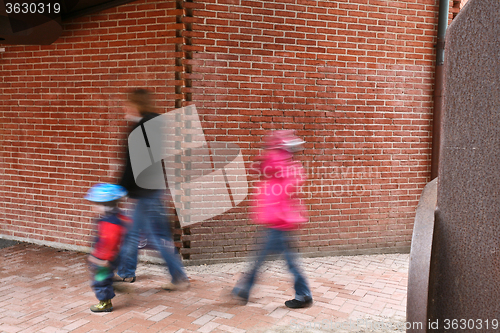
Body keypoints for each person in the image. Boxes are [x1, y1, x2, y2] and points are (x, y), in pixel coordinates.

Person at [115, 88, 190, 291]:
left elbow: (133, 164)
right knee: (135, 233)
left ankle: (177, 275)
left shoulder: (139, 130)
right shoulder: (153, 126)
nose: (124, 107)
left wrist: (120, 188)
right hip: (151, 189)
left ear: (135, 104)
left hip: (144, 192)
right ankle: (126, 273)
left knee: (155, 237)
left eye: (127, 103)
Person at [232, 130, 313, 308]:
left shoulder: (279, 167)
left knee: (262, 259)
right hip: (281, 222)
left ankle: (244, 289)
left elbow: (262, 167)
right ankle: (303, 294)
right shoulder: (289, 167)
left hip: (278, 223)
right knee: (282, 261)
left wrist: (271, 153)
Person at [85, 183, 130, 312]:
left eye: (96, 204)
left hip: (104, 258)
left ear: (105, 205)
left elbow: (109, 242)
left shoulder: (110, 223)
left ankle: (105, 303)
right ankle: (111, 284)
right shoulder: (117, 217)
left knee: (99, 280)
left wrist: (101, 260)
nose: (94, 207)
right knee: (104, 276)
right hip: (112, 255)